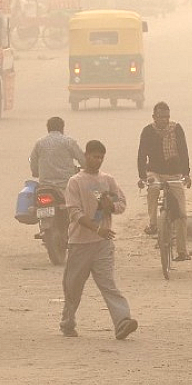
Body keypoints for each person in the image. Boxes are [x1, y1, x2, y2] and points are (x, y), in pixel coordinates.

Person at [60, 140, 138, 340]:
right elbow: (75, 213)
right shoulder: (75, 182)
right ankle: (68, 322)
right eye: (95, 156)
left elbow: (121, 203)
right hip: (80, 244)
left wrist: (109, 206)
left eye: (101, 157)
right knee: (73, 287)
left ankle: (122, 321)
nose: (98, 160)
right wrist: (98, 229)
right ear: (86, 156)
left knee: (108, 284)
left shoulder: (107, 180)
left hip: (102, 245)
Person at [137, 102, 192, 261]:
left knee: (181, 214)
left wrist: (186, 174)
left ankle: (182, 251)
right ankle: (153, 223)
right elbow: (141, 155)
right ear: (154, 117)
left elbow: (184, 152)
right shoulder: (148, 131)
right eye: (161, 117)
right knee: (152, 189)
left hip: (175, 174)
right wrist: (142, 177)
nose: (165, 120)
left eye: (167, 117)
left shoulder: (176, 129)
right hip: (155, 171)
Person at [30, 116, 85, 189]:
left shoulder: (39, 143)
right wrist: (85, 167)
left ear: (48, 129)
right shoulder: (69, 142)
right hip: (66, 185)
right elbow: (82, 159)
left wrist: (35, 172)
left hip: (45, 186)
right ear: (62, 128)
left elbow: (33, 161)